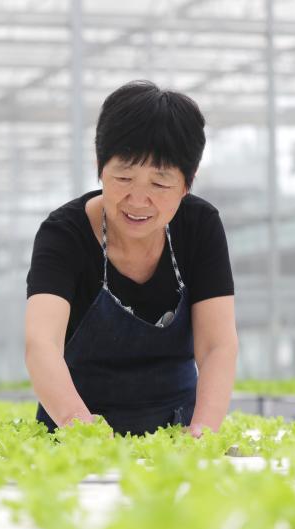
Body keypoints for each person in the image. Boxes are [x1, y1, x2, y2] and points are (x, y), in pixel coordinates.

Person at [24, 80, 238, 437]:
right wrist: (83, 432)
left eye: (160, 184)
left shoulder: (200, 226)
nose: (138, 201)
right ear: (100, 167)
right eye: (123, 177)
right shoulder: (63, 234)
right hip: (73, 433)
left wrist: (203, 431)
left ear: (188, 183)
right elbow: (41, 344)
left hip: (178, 435)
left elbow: (217, 345)